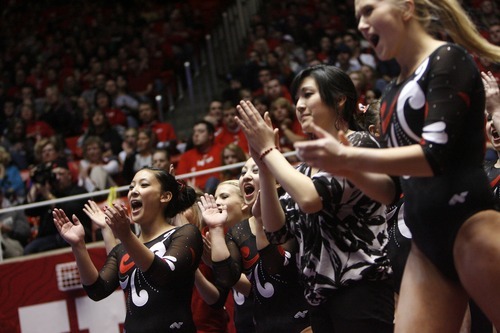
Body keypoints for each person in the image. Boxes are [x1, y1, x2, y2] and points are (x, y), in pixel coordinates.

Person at [293, 1, 500, 331]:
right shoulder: (390, 92)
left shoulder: (447, 58)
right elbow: (392, 191)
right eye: (358, 15)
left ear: (406, 8)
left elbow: (435, 155)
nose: (361, 24)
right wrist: (347, 168)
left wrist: (349, 158)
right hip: (425, 243)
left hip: (469, 225)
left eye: (369, 10)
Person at [236, 64, 395, 332]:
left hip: (361, 289)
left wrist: (268, 151)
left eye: (308, 95)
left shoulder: (358, 145)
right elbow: (276, 232)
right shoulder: (303, 170)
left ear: (340, 99)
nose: (299, 105)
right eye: (297, 97)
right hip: (318, 299)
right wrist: (264, 167)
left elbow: (311, 198)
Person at [52, 166, 202, 333]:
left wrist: (126, 235)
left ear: (165, 196)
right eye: (131, 187)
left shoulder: (185, 233)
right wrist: (78, 245)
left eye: (143, 185)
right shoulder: (122, 249)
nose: (133, 192)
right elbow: (97, 290)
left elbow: (164, 274)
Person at [200, 160, 312, 333]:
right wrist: (215, 228)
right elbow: (227, 278)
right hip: (264, 325)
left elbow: (275, 266)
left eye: (255, 170)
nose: (246, 176)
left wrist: (259, 223)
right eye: (243, 171)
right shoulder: (238, 231)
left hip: (303, 323)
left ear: (275, 182)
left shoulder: (290, 213)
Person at [24, 157, 91, 255]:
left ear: (69, 175)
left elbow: (67, 210)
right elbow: (29, 211)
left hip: (74, 233)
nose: (58, 178)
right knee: (29, 250)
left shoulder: (79, 191)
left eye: (61, 174)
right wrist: (36, 185)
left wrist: (47, 194)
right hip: (49, 237)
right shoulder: (50, 192)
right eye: (55, 175)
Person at [176, 120, 224, 195]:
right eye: (194, 132)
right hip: (195, 195)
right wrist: (197, 193)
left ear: (210, 135)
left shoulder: (222, 150)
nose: (196, 135)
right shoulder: (186, 156)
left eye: (201, 131)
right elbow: (181, 179)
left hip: (220, 191)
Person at [0, 188, 31, 259]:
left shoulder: (14, 211)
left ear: (1, 196)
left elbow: (24, 232)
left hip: (12, 243)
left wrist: (7, 229)